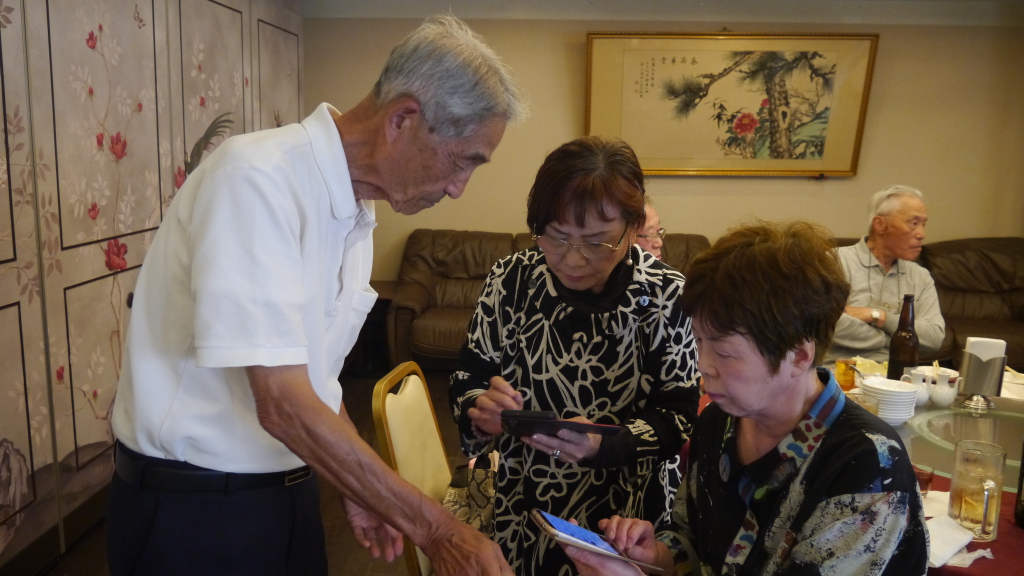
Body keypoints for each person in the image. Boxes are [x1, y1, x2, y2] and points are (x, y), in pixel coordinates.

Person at [106, 15, 527, 576]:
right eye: (461, 160)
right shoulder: (257, 179)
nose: (458, 188)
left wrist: (357, 486)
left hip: (287, 490)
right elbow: (282, 403)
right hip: (195, 510)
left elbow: (315, 383)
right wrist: (436, 528)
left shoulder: (357, 211)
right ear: (402, 119)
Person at [564, 221, 929, 576]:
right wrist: (658, 556)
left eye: (724, 352)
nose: (703, 365)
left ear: (799, 356)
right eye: (699, 341)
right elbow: (690, 539)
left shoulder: (868, 467)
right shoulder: (717, 423)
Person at [449, 136, 700, 576]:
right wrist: (479, 407)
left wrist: (610, 444)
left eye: (597, 242)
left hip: (628, 517)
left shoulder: (668, 296)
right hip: (525, 499)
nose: (573, 259)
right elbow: (469, 374)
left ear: (632, 229)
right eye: (557, 237)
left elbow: (679, 416)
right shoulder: (511, 280)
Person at [827, 185, 945, 363]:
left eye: (923, 224)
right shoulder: (834, 261)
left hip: (899, 375)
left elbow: (934, 338)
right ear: (880, 225)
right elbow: (828, 326)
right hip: (839, 370)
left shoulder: (920, 276)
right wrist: (900, 340)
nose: (922, 234)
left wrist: (879, 317)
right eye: (913, 223)